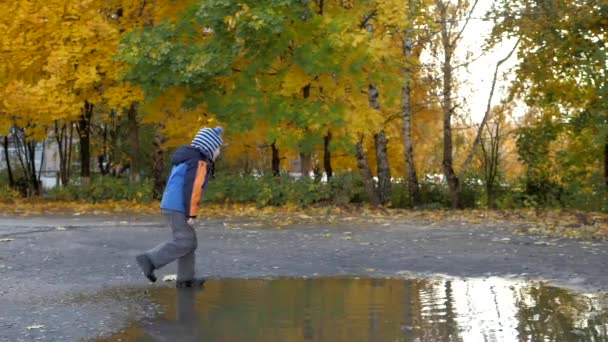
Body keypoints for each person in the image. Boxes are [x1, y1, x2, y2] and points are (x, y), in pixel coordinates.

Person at [136, 126, 224, 288]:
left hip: (173, 203)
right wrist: (192, 213)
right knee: (185, 241)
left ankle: (186, 279)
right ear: (209, 147)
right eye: (217, 148)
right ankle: (150, 260)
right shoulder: (198, 162)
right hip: (179, 205)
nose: (219, 152)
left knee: (189, 241)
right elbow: (192, 189)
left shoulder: (188, 158)